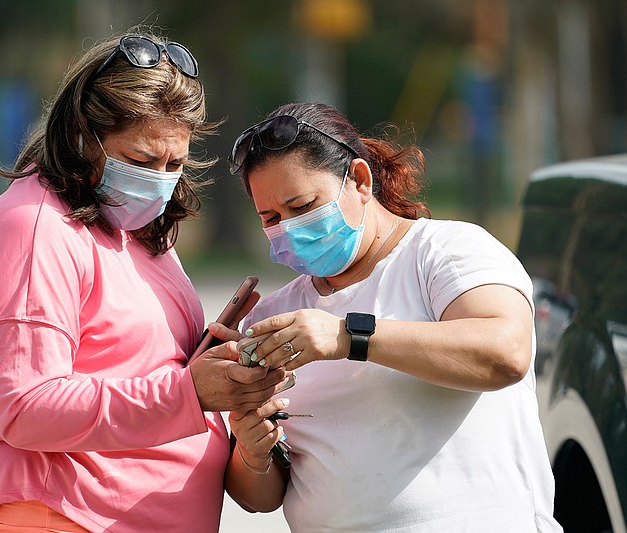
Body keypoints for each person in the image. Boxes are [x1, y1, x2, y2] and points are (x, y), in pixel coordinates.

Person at [0, 32, 286, 533]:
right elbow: (24, 406)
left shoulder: (132, 226)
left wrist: (220, 378)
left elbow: (139, 365)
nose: (160, 179)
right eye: (142, 160)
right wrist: (189, 393)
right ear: (82, 135)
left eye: (174, 164)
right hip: (57, 517)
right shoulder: (32, 227)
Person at [223, 102, 562, 532]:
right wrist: (253, 451)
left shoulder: (445, 253)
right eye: (270, 217)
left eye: (304, 206)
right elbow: (258, 499)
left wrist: (348, 336)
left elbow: (506, 353)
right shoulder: (277, 314)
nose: (288, 228)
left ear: (360, 181)